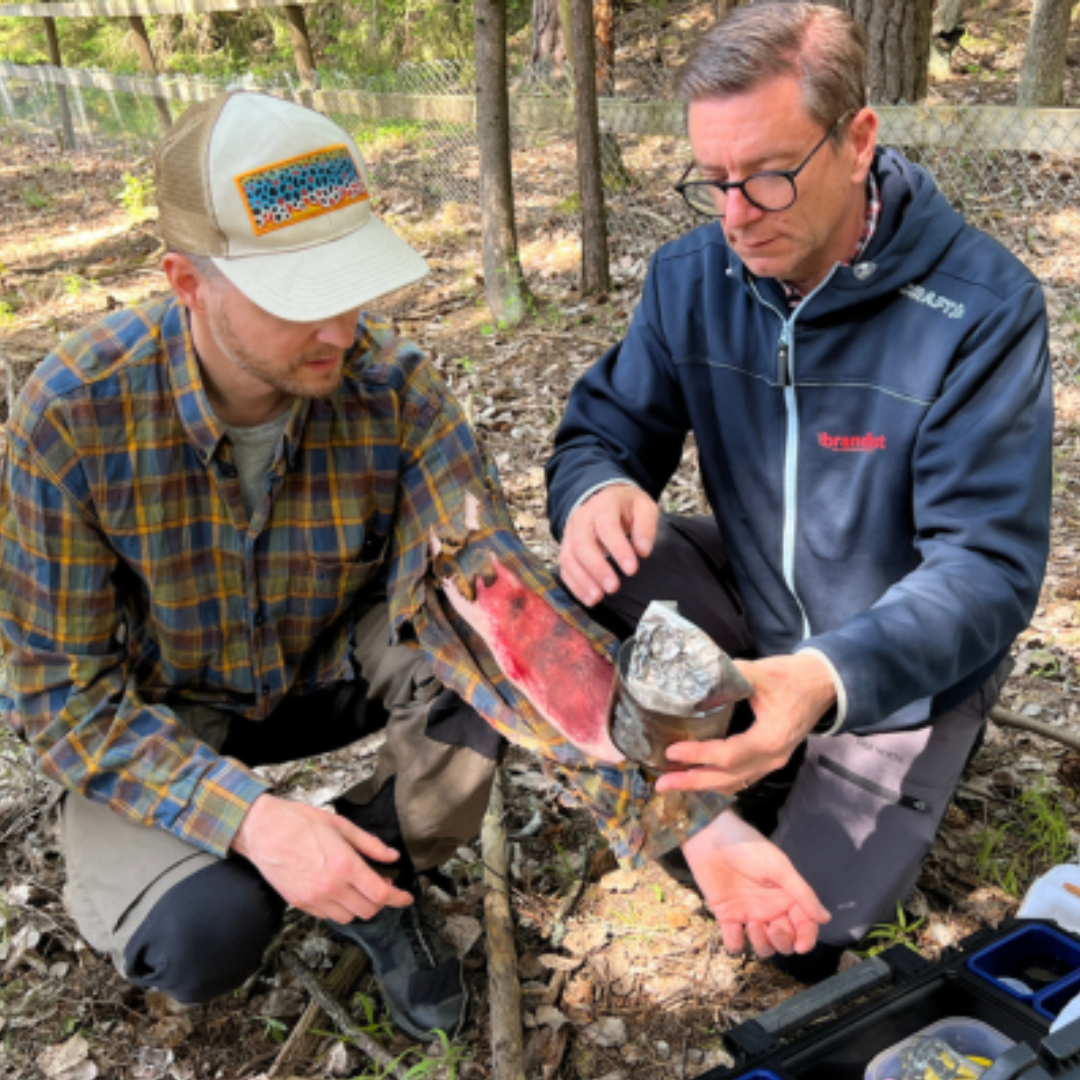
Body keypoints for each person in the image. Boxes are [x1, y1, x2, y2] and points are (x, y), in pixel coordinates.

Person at [0, 90, 828, 1038]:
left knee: (465, 695)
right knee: (203, 934)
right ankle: (268, 875)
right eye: (299, 301)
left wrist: (692, 824)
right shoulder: (74, 415)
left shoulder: (395, 392)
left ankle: (379, 889)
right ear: (188, 283)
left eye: (350, 286)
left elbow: (504, 614)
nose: (341, 331)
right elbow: (56, 701)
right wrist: (252, 821)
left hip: (332, 664)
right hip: (170, 703)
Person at [547, 2, 1053, 981]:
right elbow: (605, 429)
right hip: (750, 598)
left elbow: (986, 566)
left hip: (899, 666)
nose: (737, 215)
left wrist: (819, 679)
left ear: (859, 139)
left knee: (807, 936)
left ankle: (803, 753)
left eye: (771, 175)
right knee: (588, 564)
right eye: (716, 182)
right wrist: (594, 487)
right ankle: (738, 761)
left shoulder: (981, 310)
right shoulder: (691, 277)